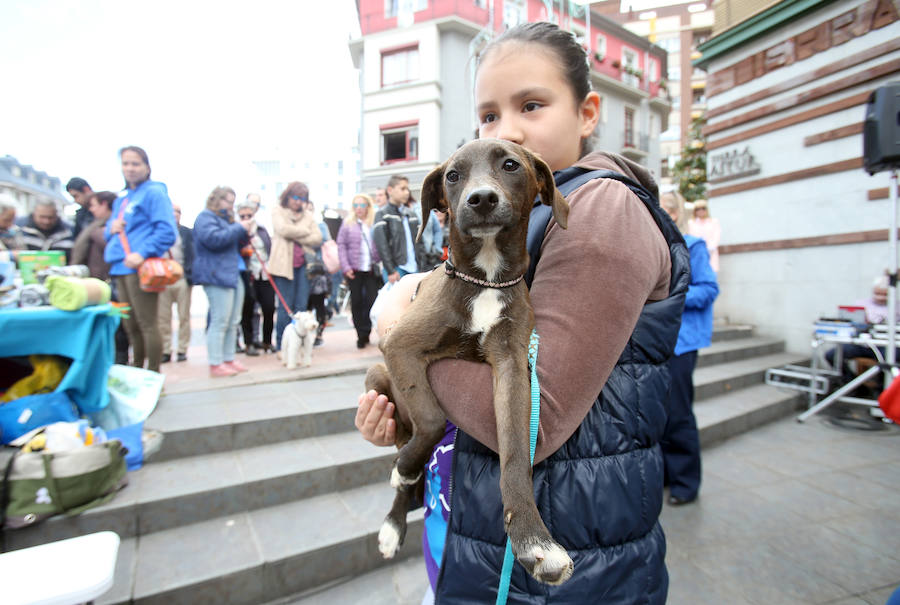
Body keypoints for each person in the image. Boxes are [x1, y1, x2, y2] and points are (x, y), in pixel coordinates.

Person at [355, 21, 687, 603]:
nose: (506, 128)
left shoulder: (600, 209)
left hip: (576, 562)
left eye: (531, 105)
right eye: (487, 115)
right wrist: (404, 409)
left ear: (587, 113)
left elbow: (540, 418)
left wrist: (403, 319)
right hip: (496, 545)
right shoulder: (524, 224)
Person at [660, 191, 719, 506]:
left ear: (674, 212)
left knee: (679, 412)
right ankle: (668, 474)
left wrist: (672, 294)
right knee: (660, 412)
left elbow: (709, 289)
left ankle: (686, 482)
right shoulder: (653, 245)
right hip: (658, 340)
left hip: (683, 341)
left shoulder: (692, 245)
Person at [104, 146, 177, 373]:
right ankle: (137, 370)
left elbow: (167, 231)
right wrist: (111, 227)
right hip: (119, 268)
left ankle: (153, 373)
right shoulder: (122, 199)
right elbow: (110, 231)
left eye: (135, 163)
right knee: (129, 324)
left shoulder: (154, 193)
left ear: (146, 167)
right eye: (126, 163)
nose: (130, 168)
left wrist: (142, 253)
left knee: (147, 323)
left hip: (141, 268)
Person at [192, 186, 252, 377]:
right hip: (216, 274)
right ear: (216, 199)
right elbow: (214, 240)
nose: (231, 206)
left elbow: (235, 242)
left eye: (233, 202)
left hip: (234, 272)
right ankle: (215, 363)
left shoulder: (227, 221)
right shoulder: (205, 218)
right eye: (228, 201)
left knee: (234, 320)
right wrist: (237, 228)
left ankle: (228, 358)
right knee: (220, 320)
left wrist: (244, 232)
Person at [269, 182, 323, 351]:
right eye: (295, 197)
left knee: (301, 308)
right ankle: (281, 346)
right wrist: (304, 231)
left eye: (302, 199)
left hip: (304, 268)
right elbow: (282, 229)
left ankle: (299, 346)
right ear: (288, 195)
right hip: (283, 268)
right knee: (286, 309)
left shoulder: (308, 215)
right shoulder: (278, 210)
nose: (298, 202)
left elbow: (317, 238)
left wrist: (295, 233)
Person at [336, 193, 381, 349]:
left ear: (368, 207)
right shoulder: (347, 224)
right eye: (356, 205)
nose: (359, 209)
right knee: (356, 303)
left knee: (371, 300)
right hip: (353, 270)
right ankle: (360, 334)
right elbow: (341, 245)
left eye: (362, 205)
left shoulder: (373, 223)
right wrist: (346, 267)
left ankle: (367, 330)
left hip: (370, 270)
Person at [237, 198, 276, 354]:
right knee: (248, 310)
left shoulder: (261, 230)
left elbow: (269, 249)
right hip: (248, 274)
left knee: (269, 308)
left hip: (265, 275)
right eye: (243, 216)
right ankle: (250, 342)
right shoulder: (236, 231)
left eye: (249, 215)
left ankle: (267, 341)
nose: (246, 219)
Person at [157, 203, 194, 363]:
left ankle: (182, 349)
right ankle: (165, 349)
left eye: (178, 211)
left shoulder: (187, 233)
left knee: (184, 316)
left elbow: (192, 254)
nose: (175, 214)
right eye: (172, 211)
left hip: (182, 278)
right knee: (163, 317)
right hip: (163, 279)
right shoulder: (157, 232)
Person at [372, 175, 422, 284]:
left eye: (407, 189)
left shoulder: (412, 214)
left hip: (415, 269)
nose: (407, 192)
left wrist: (422, 267)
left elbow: (419, 242)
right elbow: (382, 245)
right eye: (402, 188)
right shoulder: (382, 214)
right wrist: (390, 270)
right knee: (397, 301)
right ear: (390, 190)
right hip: (397, 270)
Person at [71, 191, 116, 281]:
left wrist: (97, 233)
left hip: (105, 279)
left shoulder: (113, 226)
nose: (91, 209)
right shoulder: (96, 225)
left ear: (104, 204)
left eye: (93, 205)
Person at [688, 199, 721, 272]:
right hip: (696, 254)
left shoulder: (714, 222)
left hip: (711, 253)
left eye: (703, 208)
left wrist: (709, 249)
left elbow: (716, 237)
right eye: (698, 209)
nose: (701, 211)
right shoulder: (690, 223)